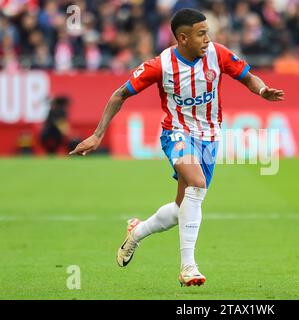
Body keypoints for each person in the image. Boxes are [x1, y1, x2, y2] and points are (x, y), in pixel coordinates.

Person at [69, 8, 284, 287]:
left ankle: (137, 232)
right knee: (196, 184)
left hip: (209, 137)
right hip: (176, 133)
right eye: (201, 34)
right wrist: (98, 135)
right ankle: (188, 267)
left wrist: (262, 89)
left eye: (208, 32)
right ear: (182, 38)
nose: (208, 39)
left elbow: (247, 76)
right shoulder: (161, 65)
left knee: (182, 206)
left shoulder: (217, 54)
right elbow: (120, 94)